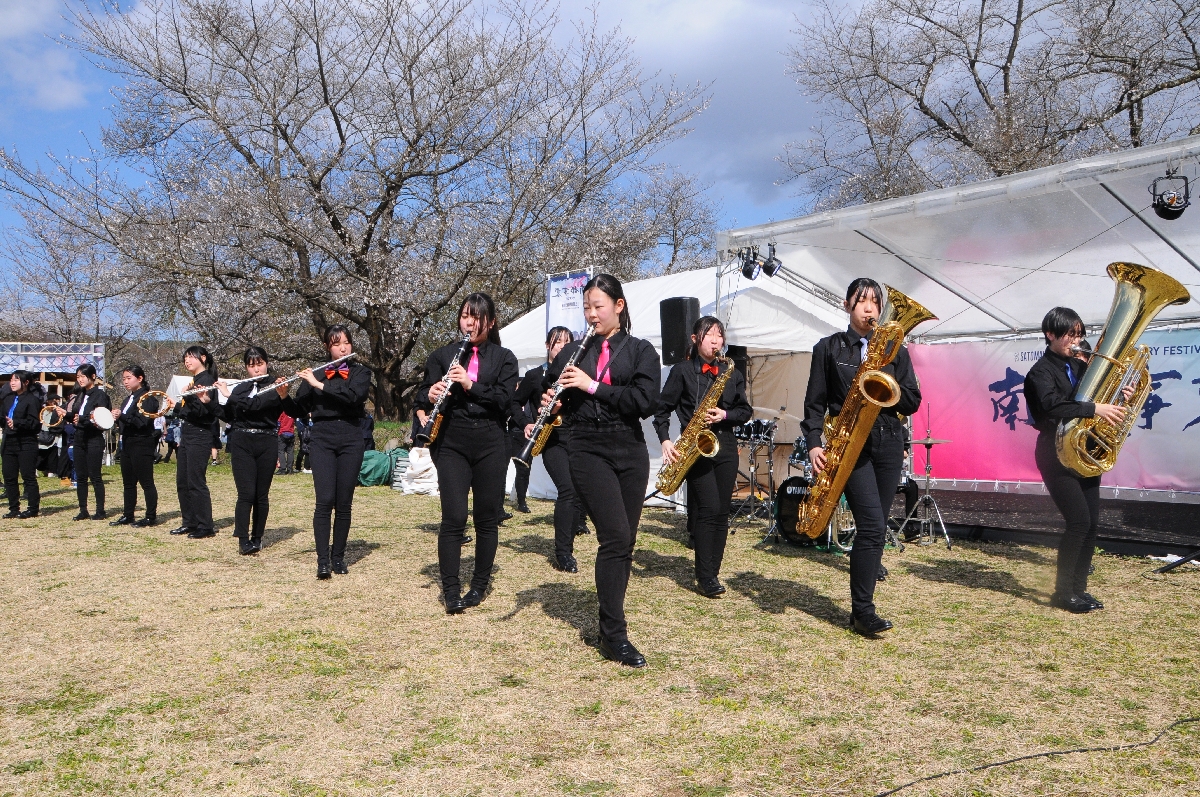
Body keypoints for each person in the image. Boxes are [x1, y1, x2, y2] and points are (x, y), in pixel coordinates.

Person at [542, 274, 660, 668]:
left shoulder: (641, 351)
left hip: (629, 448)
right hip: (586, 446)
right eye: (587, 307)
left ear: (619, 306)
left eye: (599, 307)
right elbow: (552, 396)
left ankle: (609, 624)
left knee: (624, 543)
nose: (591, 314)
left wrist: (592, 387)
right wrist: (554, 403)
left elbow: (643, 401)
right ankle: (614, 634)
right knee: (614, 536)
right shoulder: (572, 352)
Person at [801, 278, 922, 638]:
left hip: (887, 442)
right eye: (861, 301)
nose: (869, 309)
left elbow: (913, 399)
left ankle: (863, 604)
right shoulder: (828, 348)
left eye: (875, 302)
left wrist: (884, 379)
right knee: (870, 526)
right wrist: (812, 443)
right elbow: (813, 403)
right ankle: (863, 612)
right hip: (850, 445)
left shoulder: (896, 350)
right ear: (846, 305)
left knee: (877, 527)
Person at [1023, 308, 1130, 613]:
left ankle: (1079, 590)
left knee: (1092, 524)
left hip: (1085, 451)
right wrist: (1094, 408)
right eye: (1070, 334)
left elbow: (1097, 400)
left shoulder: (1081, 367)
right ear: (1051, 335)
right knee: (1078, 522)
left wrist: (1120, 398)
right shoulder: (1040, 372)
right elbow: (1050, 407)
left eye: (1079, 333)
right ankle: (1062, 592)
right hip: (1055, 454)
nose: (1076, 340)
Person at [418, 293, 518, 614]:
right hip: (452, 441)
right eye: (464, 316)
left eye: (476, 317)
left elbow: (505, 401)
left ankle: (478, 585)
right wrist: (430, 393)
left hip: (491, 441)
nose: (469, 322)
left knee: (486, 518)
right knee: (454, 517)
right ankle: (450, 590)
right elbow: (420, 395)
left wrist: (470, 384)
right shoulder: (441, 355)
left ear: (491, 322)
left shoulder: (504, 358)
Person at [655, 316, 753, 597]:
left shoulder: (731, 371)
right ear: (696, 339)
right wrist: (665, 441)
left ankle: (713, 570)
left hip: (724, 444)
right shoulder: (682, 371)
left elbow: (744, 412)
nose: (715, 340)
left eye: (719, 335)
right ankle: (705, 575)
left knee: (722, 512)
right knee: (708, 509)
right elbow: (662, 410)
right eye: (709, 334)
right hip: (694, 446)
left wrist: (725, 414)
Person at [280, 325, 371, 579]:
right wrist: (284, 397)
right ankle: (322, 560)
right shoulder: (317, 373)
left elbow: (354, 397)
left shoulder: (360, 372)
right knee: (324, 500)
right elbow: (298, 409)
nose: (343, 348)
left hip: (351, 437)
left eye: (346, 342)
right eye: (336, 343)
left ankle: (338, 557)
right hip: (322, 438)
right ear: (327, 348)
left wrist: (319, 385)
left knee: (344, 502)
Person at [512, 326, 587, 571]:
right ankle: (563, 553)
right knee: (567, 489)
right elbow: (514, 402)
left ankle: (576, 524)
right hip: (552, 439)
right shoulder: (535, 376)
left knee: (578, 490)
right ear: (547, 346)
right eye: (557, 343)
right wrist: (526, 422)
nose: (563, 347)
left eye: (568, 342)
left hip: (578, 437)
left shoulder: (579, 373)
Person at [217, 346, 285, 555]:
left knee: (260, 495)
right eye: (251, 365)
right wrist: (208, 401)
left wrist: (228, 394)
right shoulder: (240, 388)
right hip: (241, 441)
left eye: (260, 364)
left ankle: (257, 537)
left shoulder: (276, 385)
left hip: (266, 440)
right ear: (246, 367)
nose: (256, 369)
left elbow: (257, 405)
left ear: (267, 363)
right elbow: (229, 414)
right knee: (245, 493)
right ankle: (243, 539)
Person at [166, 346, 219, 539]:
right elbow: (189, 413)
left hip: (200, 434)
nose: (187, 361)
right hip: (188, 433)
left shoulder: (206, 380)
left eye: (191, 357)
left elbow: (205, 412)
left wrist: (187, 399)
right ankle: (189, 521)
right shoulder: (193, 381)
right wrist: (176, 407)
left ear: (202, 358)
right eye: (185, 358)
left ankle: (205, 525)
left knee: (196, 481)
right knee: (183, 481)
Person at [110, 366, 159, 527]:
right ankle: (128, 514)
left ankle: (150, 516)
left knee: (146, 482)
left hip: (142, 442)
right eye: (124, 378)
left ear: (140, 378)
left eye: (129, 378)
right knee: (128, 482)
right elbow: (125, 422)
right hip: (128, 442)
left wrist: (122, 416)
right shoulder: (128, 399)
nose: (125, 381)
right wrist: (117, 418)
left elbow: (142, 422)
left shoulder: (148, 398)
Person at [65, 364, 112, 520]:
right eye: (78, 377)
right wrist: (66, 414)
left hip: (94, 439)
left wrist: (83, 419)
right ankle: (83, 509)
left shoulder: (100, 395)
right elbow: (76, 416)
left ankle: (100, 510)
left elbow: (102, 418)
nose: (80, 379)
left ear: (93, 377)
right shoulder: (80, 394)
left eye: (83, 376)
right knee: (81, 476)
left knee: (95, 476)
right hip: (79, 438)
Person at [3, 371, 45, 518]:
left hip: (26, 442)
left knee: (28, 476)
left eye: (16, 380)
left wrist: (17, 423)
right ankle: (14, 508)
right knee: (9, 476)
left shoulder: (32, 400)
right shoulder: (8, 399)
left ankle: (33, 508)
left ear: (26, 382)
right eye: (11, 380)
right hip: (9, 441)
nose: (12, 383)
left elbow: (35, 424)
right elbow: (4, 418)